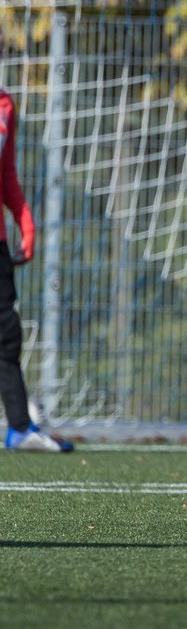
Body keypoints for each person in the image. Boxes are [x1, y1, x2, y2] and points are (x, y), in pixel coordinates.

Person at [0, 83, 73, 452]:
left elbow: (6, 171)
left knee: (7, 332)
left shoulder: (5, 105)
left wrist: (24, 221)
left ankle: (19, 428)